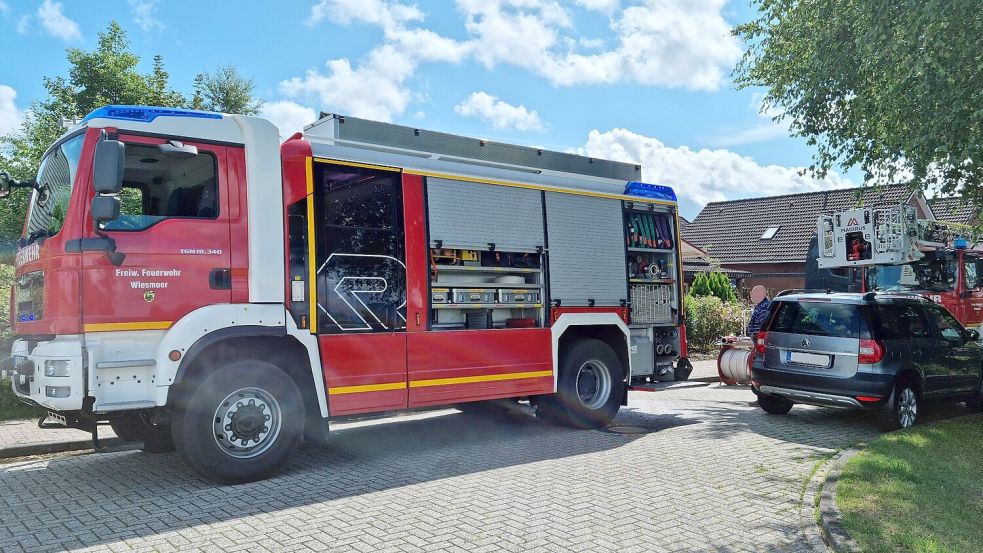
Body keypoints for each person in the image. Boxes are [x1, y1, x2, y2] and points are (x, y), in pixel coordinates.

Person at [746, 285, 770, 407]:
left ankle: (761, 397)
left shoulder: (764, 307)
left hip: (760, 341)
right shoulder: (761, 306)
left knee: (758, 367)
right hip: (757, 339)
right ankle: (760, 397)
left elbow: (761, 324)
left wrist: (755, 335)